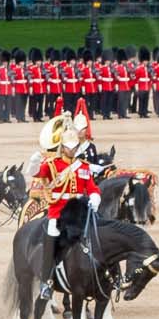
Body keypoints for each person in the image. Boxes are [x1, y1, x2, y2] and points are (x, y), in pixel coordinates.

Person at [31, 112, 100, 302]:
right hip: (58, 212)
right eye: (69, 147)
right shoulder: (53, 164)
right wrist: (35, 161)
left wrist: (95, 197)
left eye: (74, 147)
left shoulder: (83, 166)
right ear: (63, 147)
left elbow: (91, 187)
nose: (71, 150)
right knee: (51, 241)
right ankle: (46, 281)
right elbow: (37, 173)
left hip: (79, 211)